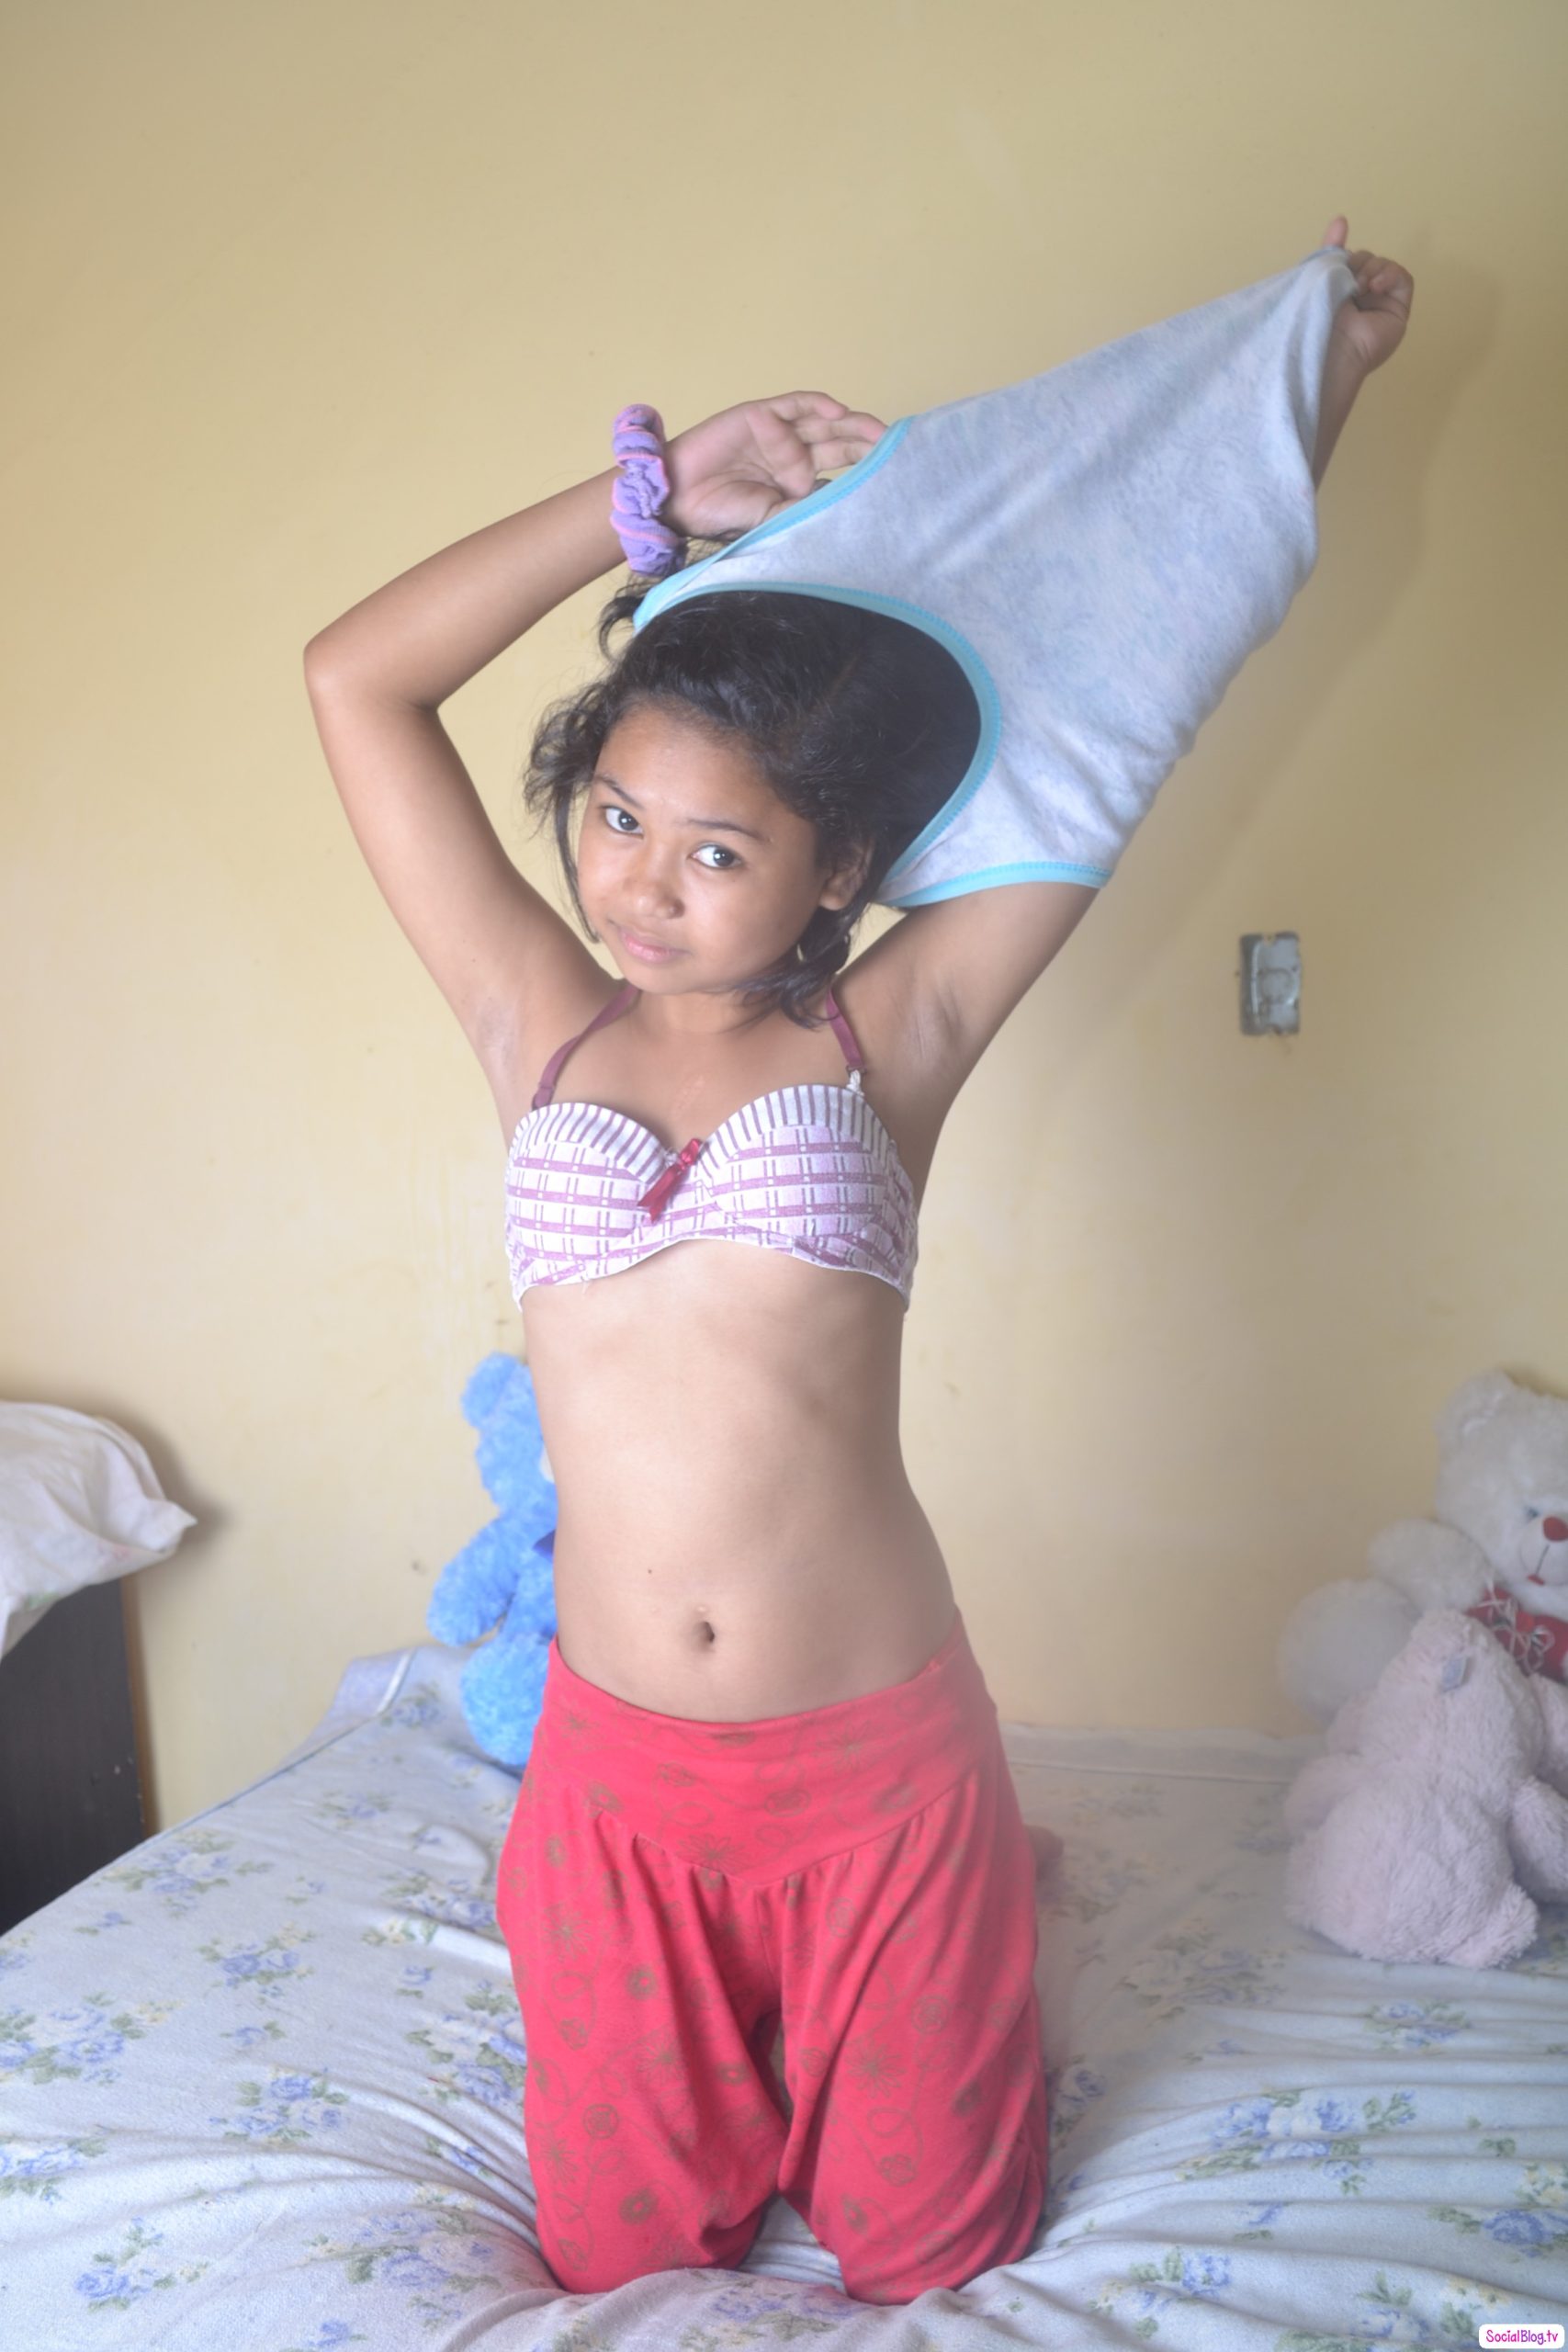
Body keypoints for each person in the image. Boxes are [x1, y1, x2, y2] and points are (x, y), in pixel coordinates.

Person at [302, 216, 1412, 2303]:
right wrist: (645, 500)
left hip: (876, 1768)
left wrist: (1305, 383)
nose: (640, 885)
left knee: (935, 2246)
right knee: (622, 2247)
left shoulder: (886, 1036)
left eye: (716, 849)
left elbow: (1140, 681)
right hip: (620, 1789)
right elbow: (352, 680)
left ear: (839, 873)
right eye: (614, 816)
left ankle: (997, 1901)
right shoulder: (539, 1023)